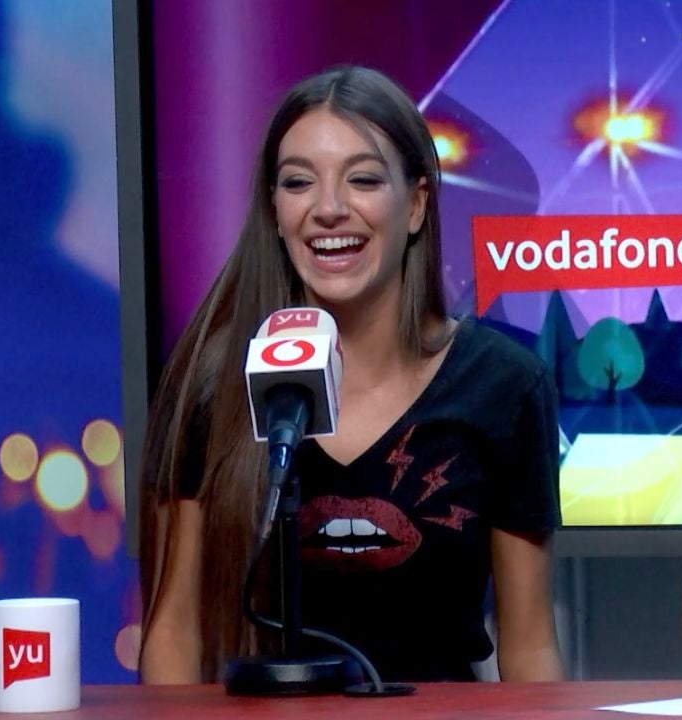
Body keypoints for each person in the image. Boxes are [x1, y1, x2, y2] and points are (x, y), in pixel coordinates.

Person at [138, 65, 564, 684]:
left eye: (363, 179)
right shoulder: (212, 381)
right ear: (275, 209)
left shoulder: (505, 383)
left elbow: (530, 646)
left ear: (415, 205)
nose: (329, 209)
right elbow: (173, 634)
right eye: (298, 183)